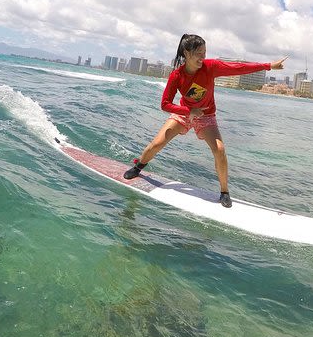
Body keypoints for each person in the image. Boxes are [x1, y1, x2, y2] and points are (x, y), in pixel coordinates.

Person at [123, 34, 287, 208]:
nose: (203, 57)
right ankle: (139, 166)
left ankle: (224, 192)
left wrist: (269, 66)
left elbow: (238, 67)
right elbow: (165, 104)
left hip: (206, 116)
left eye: (204, 53)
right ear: (187, 53)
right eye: (199, 53)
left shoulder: (211, 67)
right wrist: (188, 110)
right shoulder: (176, 76)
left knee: (220, 150)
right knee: (156, 145)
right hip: (184, 113)